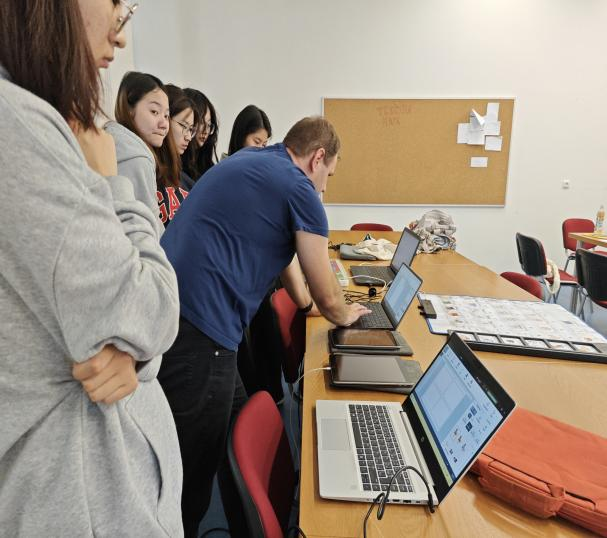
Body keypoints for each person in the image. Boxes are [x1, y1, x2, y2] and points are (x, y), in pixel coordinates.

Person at [0, 1, 183, 536]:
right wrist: (111, 183)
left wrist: (137, 356)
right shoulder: (22, 126)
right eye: (116, 4)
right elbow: (153, 308)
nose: (121, 35)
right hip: (87, 495)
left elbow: (131, 330)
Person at [157, 116, 371, 537]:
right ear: (318, 158)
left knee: (237, 428)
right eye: (328, 175)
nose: (325, 187)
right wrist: (345, 314)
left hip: (173, 309)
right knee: (193, 471)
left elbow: (287, 256)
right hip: (201, 328)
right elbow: (329, 296)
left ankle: (249, 527)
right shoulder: (299, 188)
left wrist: (306, 303)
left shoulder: (252, 160)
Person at [106, 71, 184, 229]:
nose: (164, 124)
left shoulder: (111, 141)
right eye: (154, 112)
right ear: (129, 109)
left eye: (166, 115)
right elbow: (147, 228)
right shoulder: (136, 158)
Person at [181, 88, 218, 180]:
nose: (206, 131)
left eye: (209, 125)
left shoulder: (207, 165)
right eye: (201, 122)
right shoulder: (175, 164)